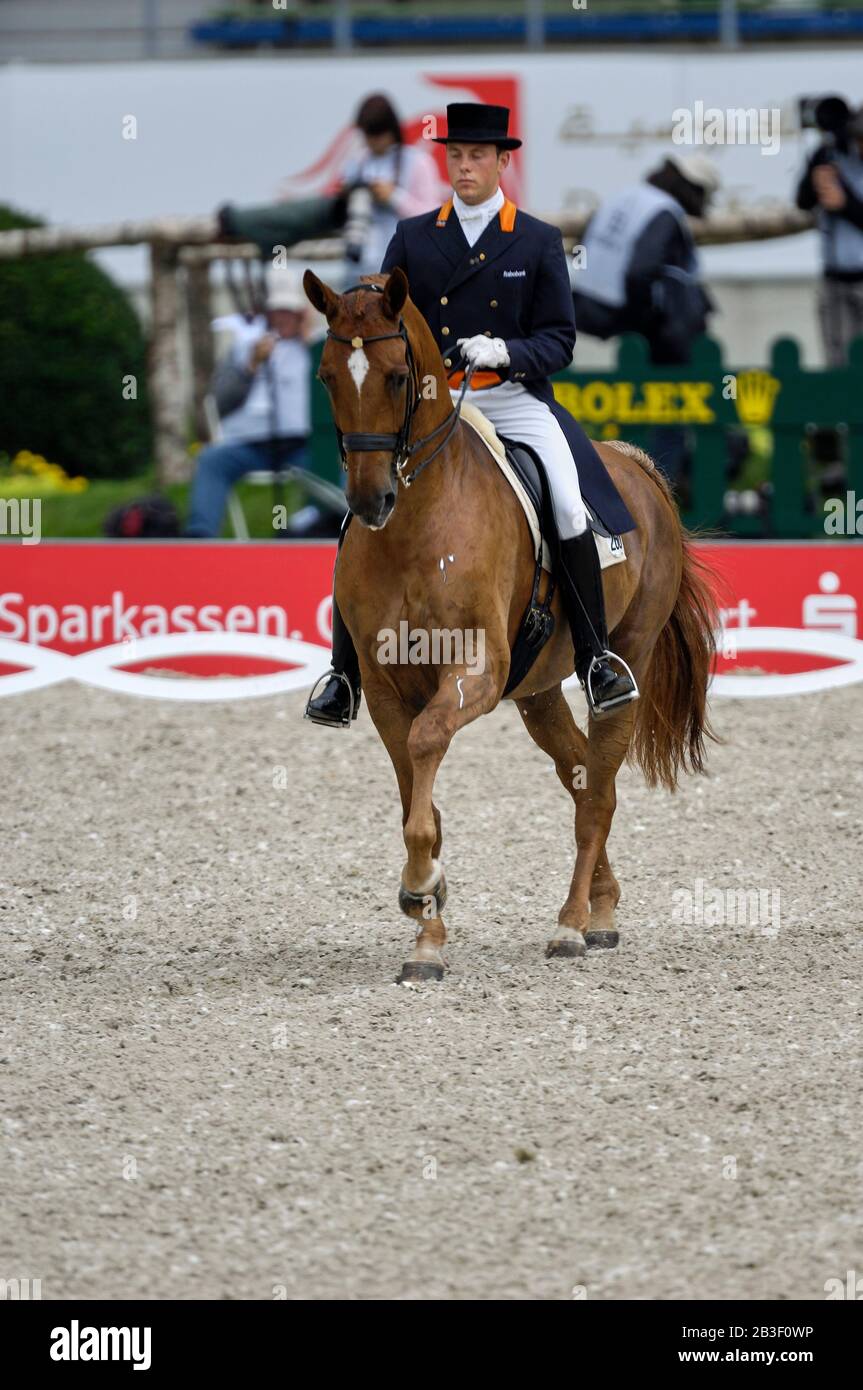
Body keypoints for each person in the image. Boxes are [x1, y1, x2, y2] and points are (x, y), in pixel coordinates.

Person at [306, 100, 638, 728]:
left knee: (568, 502)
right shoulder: (414, 235)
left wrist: (507, 351)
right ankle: (343, 674)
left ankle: (596, 658)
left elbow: (560, 341)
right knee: (363, 509)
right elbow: (381, 310)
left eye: (477, 156)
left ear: (502, 161)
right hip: (434, 405)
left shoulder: (536, 239)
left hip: (512, 399)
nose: (465, 167)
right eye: (455, 155)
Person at [572, 153, 719, 488]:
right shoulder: (665, 211)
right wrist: (643, 313)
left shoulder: (624, 197)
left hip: (587, 305)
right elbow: (640, 270)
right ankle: (665, 476)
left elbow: (582, 247)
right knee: (668, 401)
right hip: (632, 318)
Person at [185, 266, 311, 538]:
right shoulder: (242, 349)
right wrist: (250, 366)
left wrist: (308, 337)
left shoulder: (313, 350)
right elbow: (219, 401)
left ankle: (313, 527)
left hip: (301, 446)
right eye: (276, 311)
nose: (281, 318)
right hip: (249, 446)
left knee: (334, 462)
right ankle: (199, 537)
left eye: (287, 311)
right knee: (212, 460)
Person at [337, 92, 444, 277]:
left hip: (404, 271)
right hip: (358, 268)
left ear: (391, 130)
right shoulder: (356, 162)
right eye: (368, 135)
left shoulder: (418, 162)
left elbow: (434, 218)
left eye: (378, 135)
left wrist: (394, 197)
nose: (373, 142)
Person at [795, 100, 863, 367]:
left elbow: (844, 204)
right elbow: (802, 201)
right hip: (835, 277)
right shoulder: (830, 156)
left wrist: (844, 202)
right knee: (838, 360)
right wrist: (817, 176)